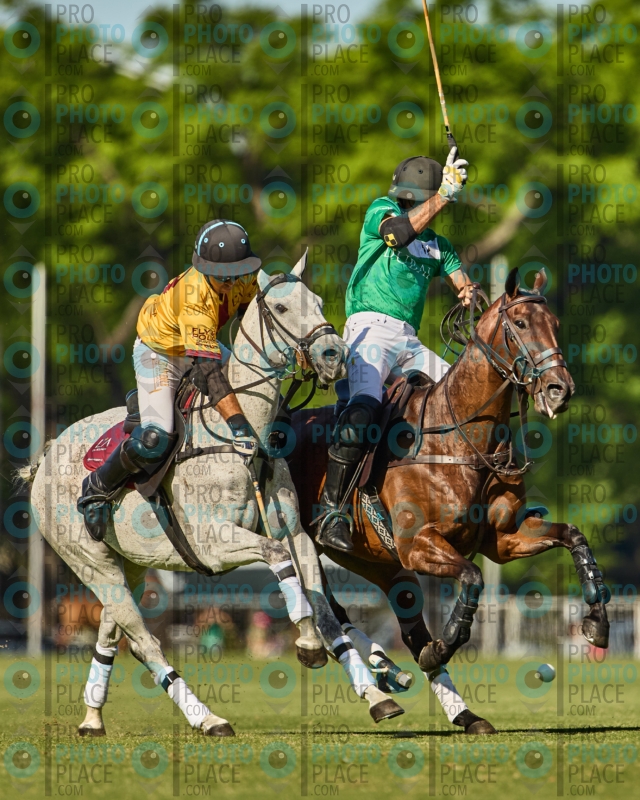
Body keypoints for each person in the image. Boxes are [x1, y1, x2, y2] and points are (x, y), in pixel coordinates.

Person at [318, 147, 474, 552]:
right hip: (368, 329)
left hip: (409, 340)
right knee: (363, 410)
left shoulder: (439, 246)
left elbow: (460, 280)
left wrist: (468, 293)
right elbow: (398, 234)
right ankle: (330, 511)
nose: (405, 203)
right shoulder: (381, 211)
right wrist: (444, 195)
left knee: (463, 401)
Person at [78, 220, 261, 542]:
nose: (232, 283)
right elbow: (210, 373)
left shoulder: (245, 277)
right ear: (206, 269)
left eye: (237, 274)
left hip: (201, 344)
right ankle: (97, 487)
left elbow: (250, 322)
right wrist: (239, 426)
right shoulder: (195, 296)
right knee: (156, 437)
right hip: (159, 352)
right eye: (224, 277)